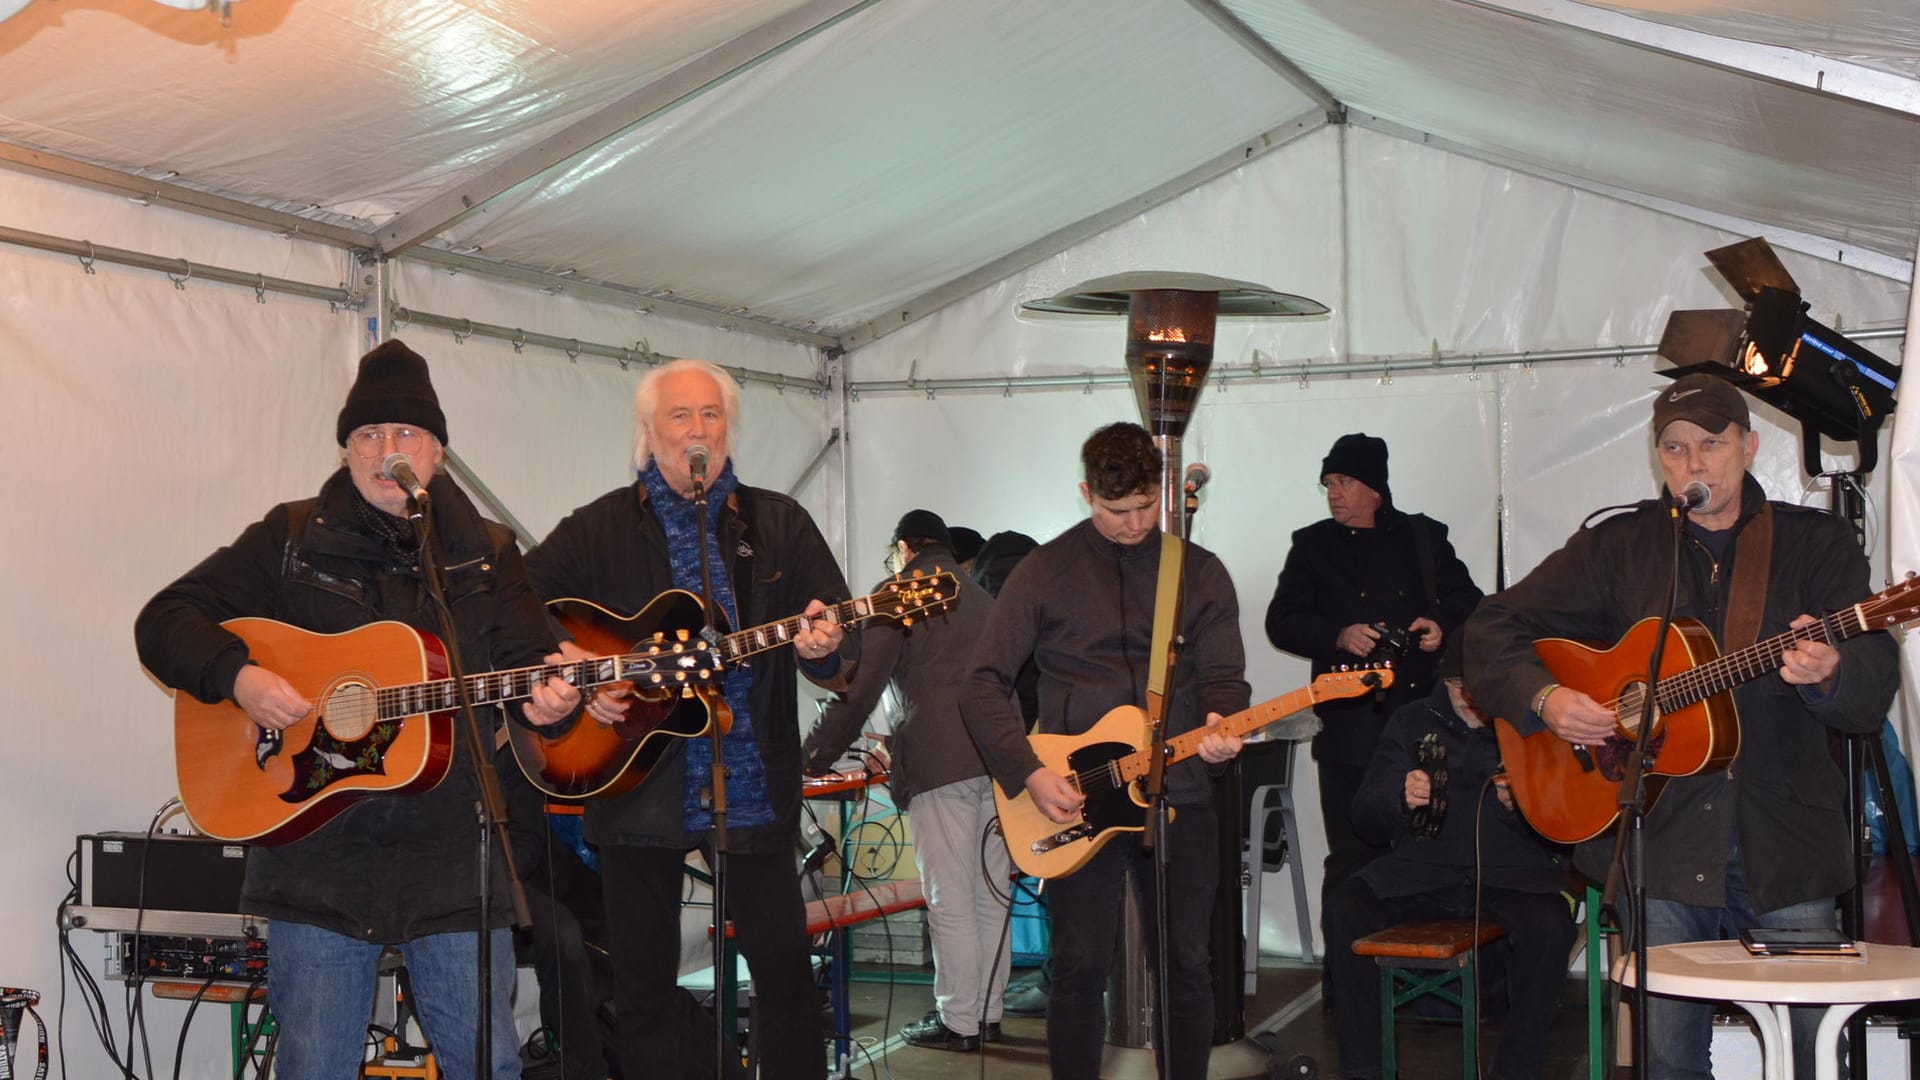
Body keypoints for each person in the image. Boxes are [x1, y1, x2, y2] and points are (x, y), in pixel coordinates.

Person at [135, 340, 582, 1080]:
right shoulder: (290, 540)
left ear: (437, 452)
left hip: (453, 865)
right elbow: (165, 620)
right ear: (345, 452)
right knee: (316, 1069)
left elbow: (532, 672)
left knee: (489, 1066)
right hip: (318, 868)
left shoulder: (487, 555)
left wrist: (553, 705)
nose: (385, 451)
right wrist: (239, 678)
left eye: (404, 434)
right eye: (366, 436)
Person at [1463, 372, 1900, 1080]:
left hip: (1784, 841)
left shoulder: (1813, 545)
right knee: (1669, 1059)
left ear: (1750, 446)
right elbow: (1492, 626)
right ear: (1656, 458)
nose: (1693, 463)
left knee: (1813, 1052)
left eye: (1711, 444)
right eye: (1673, 448)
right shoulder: (1621, 548)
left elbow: (1873, 679)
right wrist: (1543, 700)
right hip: (1661, 847)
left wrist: (1831, 672)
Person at [522, 357, 855, 1080]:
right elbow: (517, 607)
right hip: (636, 783)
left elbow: (832, 638)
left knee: (788, 981)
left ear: (729, 431)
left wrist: (824, 649)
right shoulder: (598, 527)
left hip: (752, 786)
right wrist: (581, 671)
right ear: (648, 434)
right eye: (680, 416)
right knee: (641, 990)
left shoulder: (779, 524)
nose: (696, 429)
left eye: (710, 415)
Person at [962, 421, 1250, 1080]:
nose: (1132, 523)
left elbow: (1225, 679)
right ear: (1086, 492)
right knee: (1078, 971)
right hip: (1072, 797)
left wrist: (1221, 724)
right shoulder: (1043, 571)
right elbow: (981, 684)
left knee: (1187, 966)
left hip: (1178, 795)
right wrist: (1028, 772)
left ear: (1164, 489)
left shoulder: (1199, 573)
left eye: (1147, 506)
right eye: (1116, 510)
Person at [1264, 432, 1483, 979]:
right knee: (1351, 856)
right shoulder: (1312, 545)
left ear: (1374, 488)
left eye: (1343, 482)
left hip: (1424, 727)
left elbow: (1470, 601)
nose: (1333, 494)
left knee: (1425, 851)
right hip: (1347, 731)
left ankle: (1423, 981)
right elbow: (1281, 620)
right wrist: (1339, 634)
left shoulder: (1424, 538)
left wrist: (1440, 627)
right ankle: (1346, 983)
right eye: (1328, 484)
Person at [1324, 633, 1575, 1080]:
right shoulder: (1411, 721)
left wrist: (1522, 809)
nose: (1473, 698)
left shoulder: (1529, 721)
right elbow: (1364, 817)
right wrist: (1399, 798)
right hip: (1421, 870)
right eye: (1464, 687)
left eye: (1485, 687)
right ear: (1449, 682)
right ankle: (1364, 1069)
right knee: (1347, 906)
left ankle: (1517, 1071)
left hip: (1511, 872)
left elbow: (1565, 827)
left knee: (1551, 924)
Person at [801, 509, 1007, 1052]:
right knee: (992, 892)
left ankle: (959, 1021)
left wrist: (812, 756)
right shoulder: (985, 596)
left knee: (949, 896)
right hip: (1003, 763)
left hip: (940, 764)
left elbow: (861, 686)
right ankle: (987, 1014)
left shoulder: (898, 591)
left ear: (904, 548)